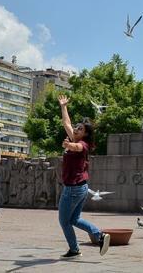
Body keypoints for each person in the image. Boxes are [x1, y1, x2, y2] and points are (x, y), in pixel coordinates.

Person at [56, 95, 109, 259]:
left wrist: (68, 145)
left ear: (85, 134)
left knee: (65, 221)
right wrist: (63, 106)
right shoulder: (75, 137)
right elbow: (66, 123)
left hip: (73, 189)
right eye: (77, 127)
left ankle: (74, 250)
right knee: (75, 219)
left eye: (80, 129)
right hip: (80, 188)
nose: (77, 129)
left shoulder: (82, 144)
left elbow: (77, 147)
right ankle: (100, 236)